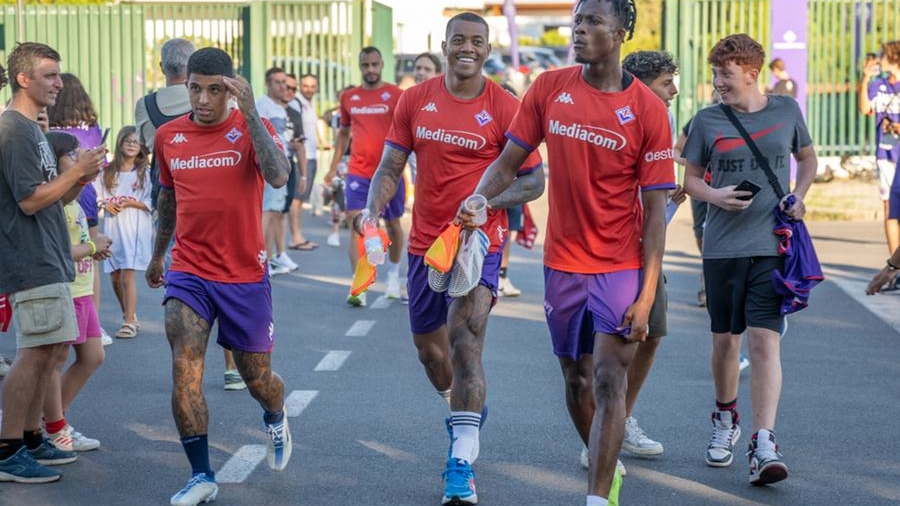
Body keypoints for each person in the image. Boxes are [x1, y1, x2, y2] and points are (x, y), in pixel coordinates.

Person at [459, 2, 675, 504]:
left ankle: (597, 496)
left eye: (593, 21)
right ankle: (608, 463)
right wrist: (478, 197)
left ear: (621, 33)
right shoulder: (549, 88)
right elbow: (510, 161)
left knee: (607, 379)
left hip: (619, 265)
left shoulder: (647, 109)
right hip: (561, 265)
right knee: (576, 379)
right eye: (577, 20)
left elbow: (656, 212)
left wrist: (646, 296)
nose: (579, 29)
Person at [364, 13, 543, 504]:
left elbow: (533, 181)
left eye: (477, 41)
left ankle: (460, 463)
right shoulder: (415, 100)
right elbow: (391, 165)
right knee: (432, 352)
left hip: (478, 244)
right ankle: (462, 410)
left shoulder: (507, 107)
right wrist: (371, 210)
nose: (468, 47)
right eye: (459, 40)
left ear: (488, 49)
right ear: (444, 45)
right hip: (426, 246)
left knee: (466, 343)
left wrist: (488, 203)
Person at [145, 47, 293, 506]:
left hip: (244, 274)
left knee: (257, 377)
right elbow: (167, 200)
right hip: (188, 271)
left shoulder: (252, 129)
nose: (203, 99)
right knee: (185, 368)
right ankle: (201, 475)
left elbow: (279, 176)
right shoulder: (169, 136)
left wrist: (249, 115)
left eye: (215, 89)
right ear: (184, 85)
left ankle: (274, 413)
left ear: (231, 89)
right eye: (195, 88)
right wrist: (158, 256)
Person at [682, 33, 817, 486]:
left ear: (751, 73)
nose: (718, 82)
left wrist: (798, 197)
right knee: (726, 342)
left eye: (725, 74)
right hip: (722, 246)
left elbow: (808, 159)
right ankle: (725, 420)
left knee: (764, 340)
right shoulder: (707, 121)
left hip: (770, 244)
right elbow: (690, 180)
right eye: (715, 73)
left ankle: (764, 441)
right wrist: (715, 194)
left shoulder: (786, 111)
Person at [0, 42, 106, 484]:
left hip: (51, 256)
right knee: (34, 353)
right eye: (49, 75)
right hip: (30, 258)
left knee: (51, 352)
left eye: (59, 75)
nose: (59, 83)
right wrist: (72, 171)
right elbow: (28, 202)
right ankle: (7, 450)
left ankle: (30, 437)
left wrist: (81, 174)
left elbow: (53, 199)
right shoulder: (14, 130)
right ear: (23, 79)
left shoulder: (32, 131)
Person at [617, 49, 683, 462]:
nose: (674, 90)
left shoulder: (665, 119)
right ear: (641, 85)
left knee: (651, 332)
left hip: (648, 248)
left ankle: (621, 419)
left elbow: (660, 194)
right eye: (665, 82)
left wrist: (674, 195)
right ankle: (602, 431)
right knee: (606, 343)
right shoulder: (620, 117)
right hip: (611, 248)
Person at [42, 131, 112, 453]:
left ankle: (55, 418)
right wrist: (90, 247)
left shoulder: (74, 195)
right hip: (66, 290)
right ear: (54, 161)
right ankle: (54, 426)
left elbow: (80, 239)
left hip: (82, 290)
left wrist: (92, 250)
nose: (78, 158)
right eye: (71, 155)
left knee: (94, 356)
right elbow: (57, 250)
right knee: (55, 361)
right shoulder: (51, 200)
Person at [325, 46, 405, 306]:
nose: (370, 70)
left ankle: (393, 276)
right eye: (365, 65)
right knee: (356, 224)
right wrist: (332, 166)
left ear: (382, 64)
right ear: (359, 67)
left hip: (390, 173)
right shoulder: (349, 97)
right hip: (358, 171)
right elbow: (344, 135)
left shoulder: (396, 95)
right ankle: (359, 285)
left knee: (393, 225)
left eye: (374, 64)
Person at [47, 72, 113, 346]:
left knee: (68, 246)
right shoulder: (91, 127)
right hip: (86, 194)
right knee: (91, 252)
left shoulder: (51, 128)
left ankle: (74, 318)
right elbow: (102, 163)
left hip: (61, 190)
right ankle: (93, 323)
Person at [95, 126, 153, 339]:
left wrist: (131, 203)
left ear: (141, 148)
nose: (131, 144)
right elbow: (96, 195)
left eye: (135, 142)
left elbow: (151, 200)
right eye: (127, 140)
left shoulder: (144, 173)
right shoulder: (106, 172)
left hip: (136, 228)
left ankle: (128, 322)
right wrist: (105, 205)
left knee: (127, 274)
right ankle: (128, 314)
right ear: (120, 144)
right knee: (115, 276)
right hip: (113, 228)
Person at [859, 41, 900, 278]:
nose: (879, 59)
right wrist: (864, 79)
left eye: (884, 55)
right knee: (889, 209)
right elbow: (865, 108)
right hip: (885, 153)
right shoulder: (879, 84)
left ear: (894, 58)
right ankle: (894, 267)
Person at [257, 67, 301, 275]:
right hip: (270, 166)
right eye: (278, 82)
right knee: (267, 212)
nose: (283, 86)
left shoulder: (280, 107)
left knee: (275, 212)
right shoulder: (262, 105)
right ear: (268, 83)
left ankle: (272, 257)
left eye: (285, 82)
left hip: (283, 163)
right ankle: (262, 261)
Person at [288, 73, 323, 251]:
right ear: (301, 86)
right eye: (306, 85)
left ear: (317, 87)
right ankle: (295, 237)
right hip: (303, 157)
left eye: (312, 86)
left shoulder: (308, 105)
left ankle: (298, 235)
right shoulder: (297, 103)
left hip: (312, 155)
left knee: (300, 200)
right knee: (296, 198)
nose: (309, 89)